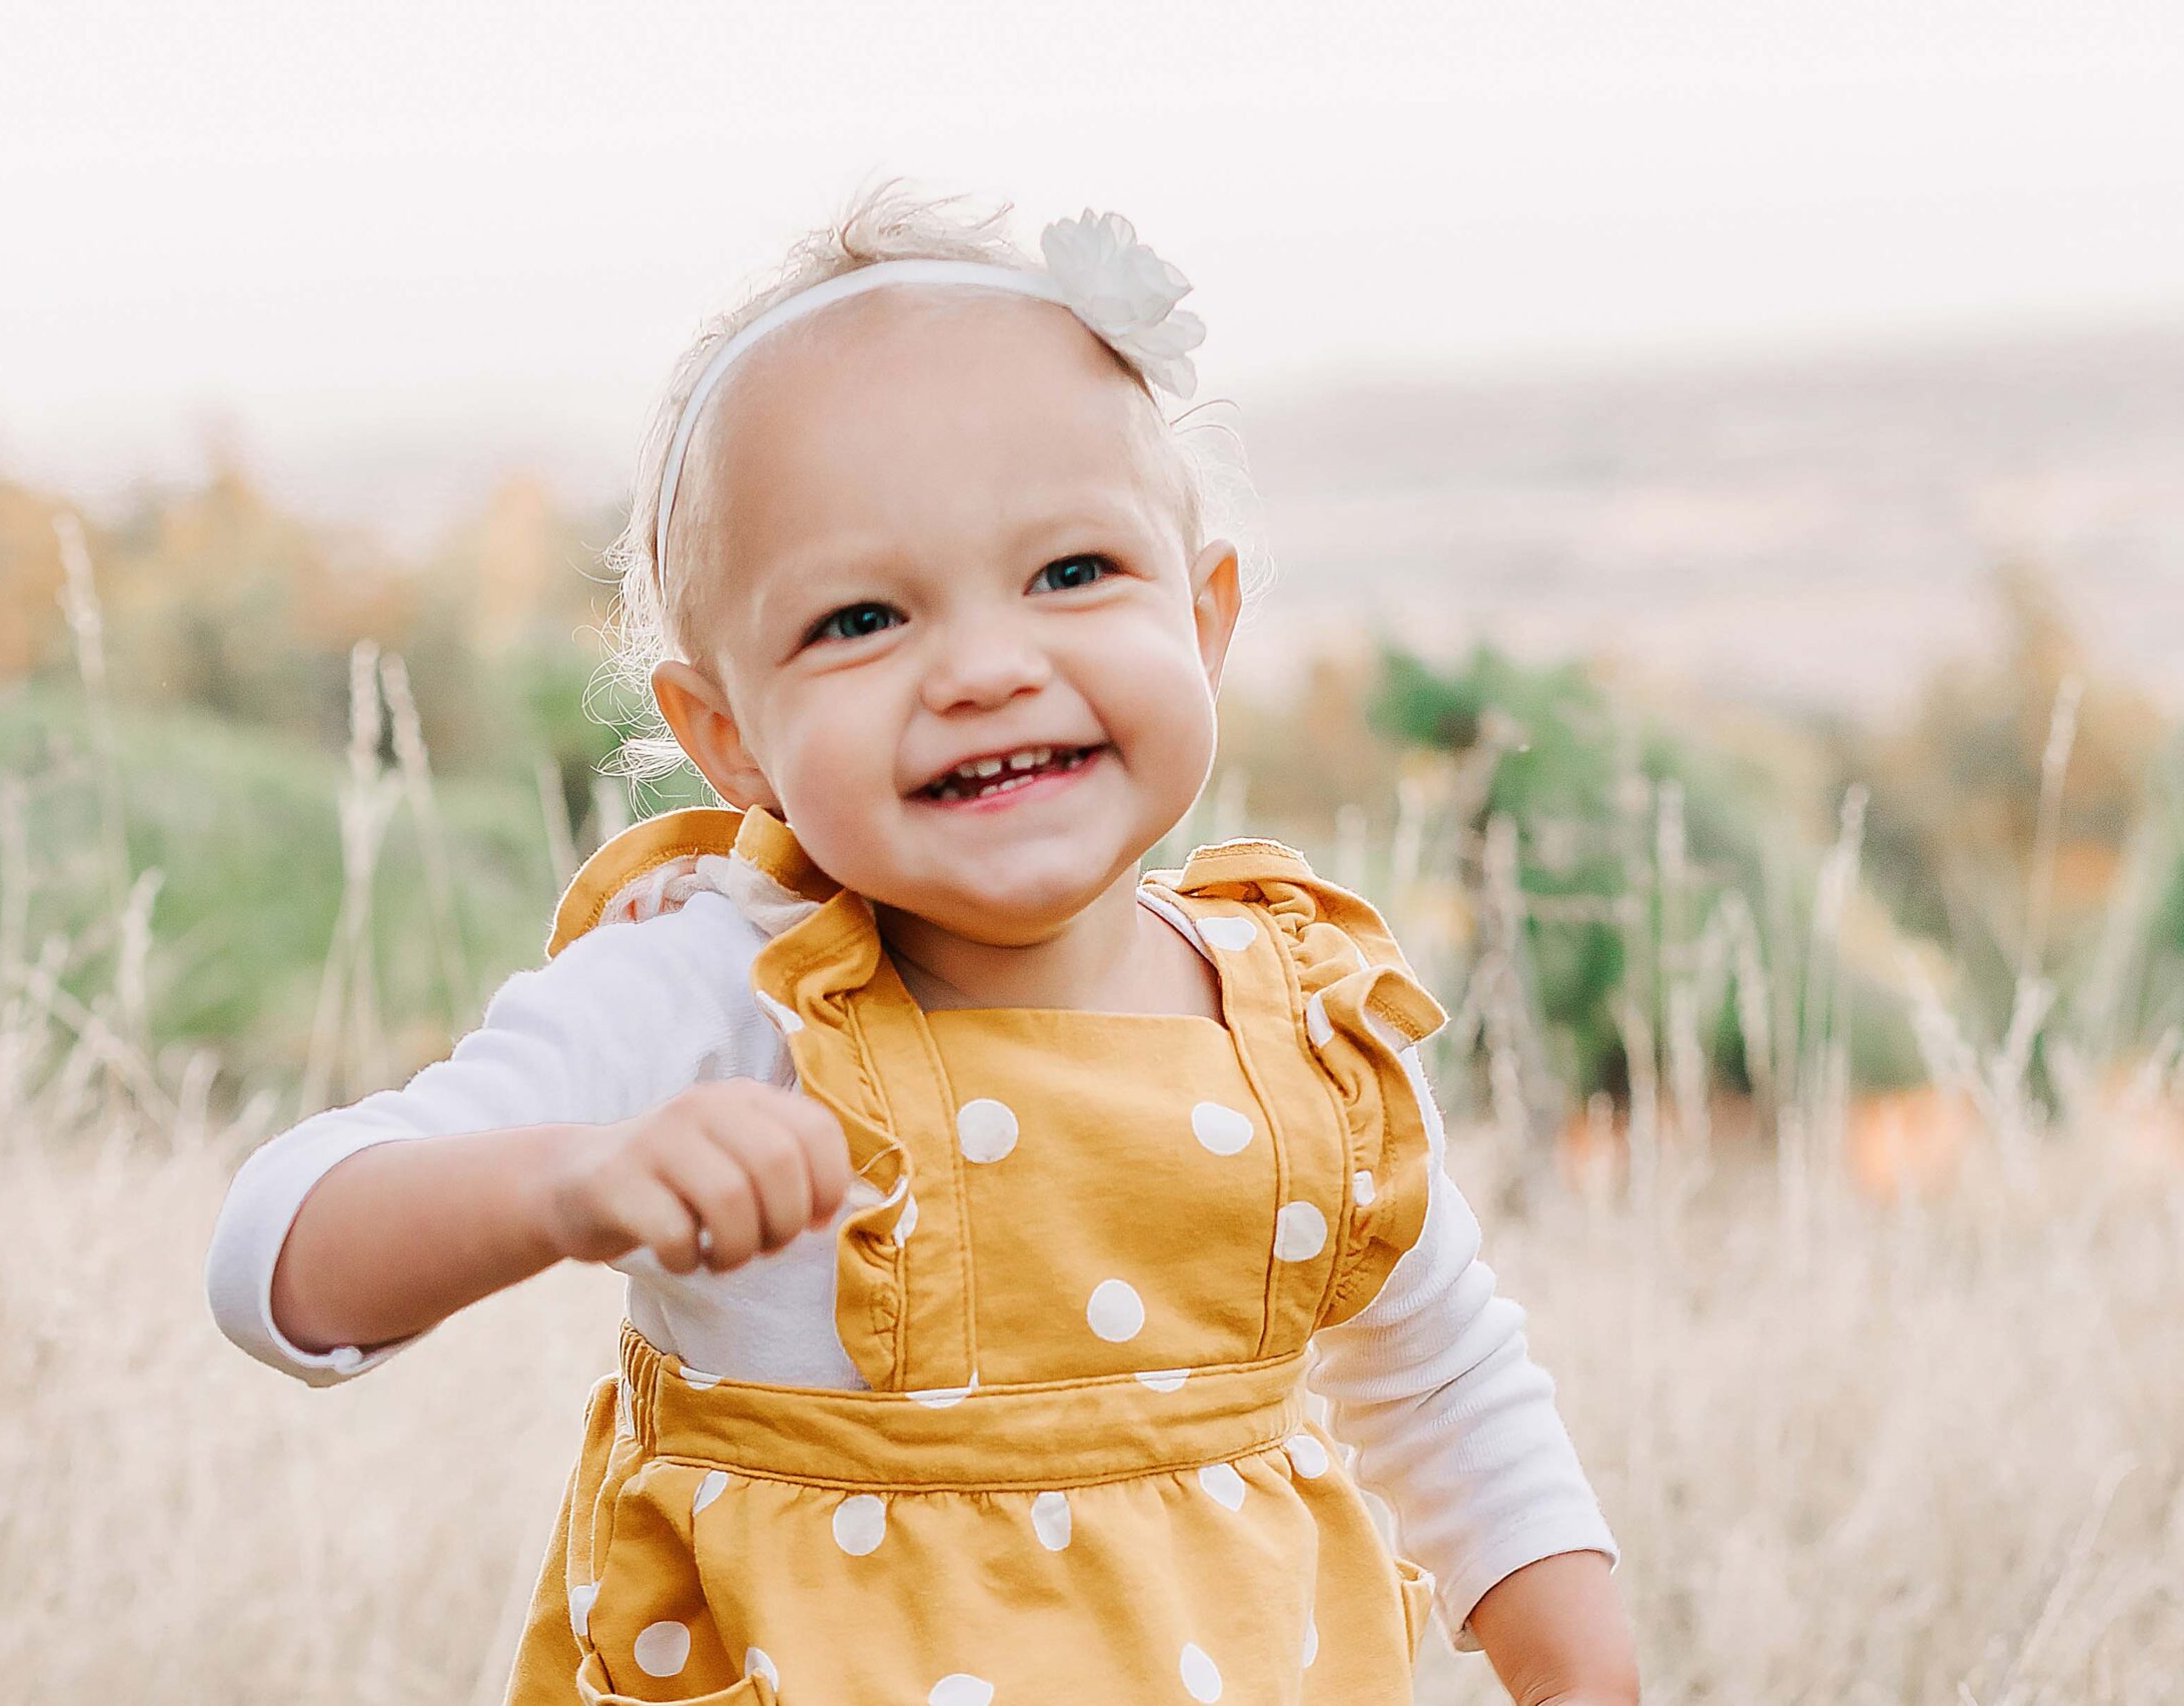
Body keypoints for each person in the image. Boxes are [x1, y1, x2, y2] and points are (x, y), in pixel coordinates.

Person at [206, 180, 1636, 1706]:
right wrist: (568, 1183)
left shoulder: (1305, 1029)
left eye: (1071, 574)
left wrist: (1581, 1678)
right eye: (863, 620)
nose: (985, 668)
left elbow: (1444, 1382)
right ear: (726, 734)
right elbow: (276, 1260)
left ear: (1206, 619)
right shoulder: (719, 992)